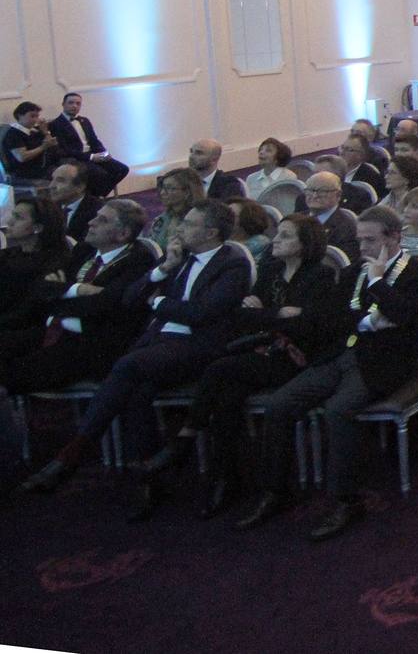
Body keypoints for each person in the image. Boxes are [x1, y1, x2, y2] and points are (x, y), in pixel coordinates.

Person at [21, 201, 253, 519]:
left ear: (210, 232)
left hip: (198, 348)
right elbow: (131, 299)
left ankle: (72, 454)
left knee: (128, 366)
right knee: (137, 391)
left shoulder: (232, 265)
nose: (179, 228)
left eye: (188, 223)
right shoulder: (178, 257)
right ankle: (147, 479)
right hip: (159, 343)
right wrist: (163, 269)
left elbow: (202, 314)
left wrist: (157, 301)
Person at [237, 205, 418, 540]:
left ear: (394, 237)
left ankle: (346, 499)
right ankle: (274, 491)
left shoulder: (417, 271)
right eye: (359, 240)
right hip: (340, 353)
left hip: (386, 361)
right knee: (280, 404)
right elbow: (331, 319)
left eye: (370, 240)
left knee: (338, 410)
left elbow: (402, 315)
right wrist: (370, 319)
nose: (362, 248)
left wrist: (376, 281)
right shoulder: (351, 272)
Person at [134, 214, 339, 518]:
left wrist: (268, 315)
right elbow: (240, 318)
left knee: (218, 369)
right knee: (227, 398)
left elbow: (307, 327)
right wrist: (278, 314)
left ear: (303, 245)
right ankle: (228, 479)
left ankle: (187, 439)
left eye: (285, 236)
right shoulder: (270, 270)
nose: (276, 240)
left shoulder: (320, 276)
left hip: (296, 358)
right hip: (262, 351)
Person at [0, 200, 155, 396]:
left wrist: (61, 294)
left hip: (91, 342)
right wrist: (77, 290)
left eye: (102, 220)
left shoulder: (138, 260)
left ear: (123, 233)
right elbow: (42, 289)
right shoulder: (83, 251)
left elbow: (105, 304)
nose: (91, 222)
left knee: (11, 373)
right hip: (55, 330)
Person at [0, 198, 71, 330]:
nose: (10, 222)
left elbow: (29, 309)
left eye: (18, 218)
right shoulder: (9, 254)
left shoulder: (55, 262)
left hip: (19, 330)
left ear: (37, 228)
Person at [49, 92, 129, 196]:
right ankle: (93, 197)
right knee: (100, 174)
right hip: (76, 159)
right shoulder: (56, 124)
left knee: (122, 169)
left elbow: (94, 140)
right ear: (63, 104)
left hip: (93, 155)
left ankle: (96, 195)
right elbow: (65, 150)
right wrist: (91, 157)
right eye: (71, 103)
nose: (74, 106)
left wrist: (104, 153)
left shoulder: (84, 121)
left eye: (78, 103)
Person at [300, 171, 359, 261]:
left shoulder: (348, 229)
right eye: (310, 190)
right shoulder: (295, 220)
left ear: (338, 195)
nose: (315, 196)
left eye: (322, 191)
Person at [144, 167, 205, 252]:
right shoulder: (160, 220)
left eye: (169, 188)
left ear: (187, 192)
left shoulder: (198, 220)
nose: (162, 193)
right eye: (162, 188)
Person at [4, 101, 59, 185]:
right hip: (25, 173)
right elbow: (22, 157)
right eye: (32, 116)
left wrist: (45, 132)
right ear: (20, 115)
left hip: (44, 168)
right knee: (61, 181)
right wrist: (42, 147)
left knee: (72, 173)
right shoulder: (13, 133)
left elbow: (52, 145)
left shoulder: (33, 131)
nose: (35, 120)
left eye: (37, 116)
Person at [47, 160, 103, 243]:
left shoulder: (97, 212)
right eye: (52, 179)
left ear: (80, 187)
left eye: (60, 180)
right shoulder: (47, 207)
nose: (51, 186)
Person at [226, 197, 275, 262]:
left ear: (246, 220)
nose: (225, 218)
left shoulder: (260, 243)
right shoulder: (222, 238)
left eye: (232, 215)